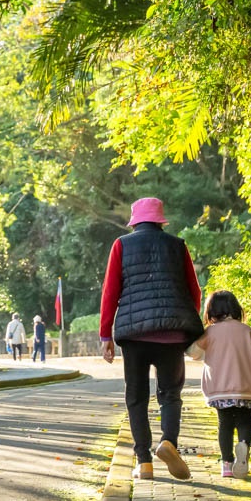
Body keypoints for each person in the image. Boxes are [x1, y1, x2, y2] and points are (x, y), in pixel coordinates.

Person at [99, 197, 204, 481]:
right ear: (160, 220)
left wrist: (105, 334)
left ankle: (143, 462)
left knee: (136, 397)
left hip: (134, 335)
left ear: (135, 221)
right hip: (171, 334)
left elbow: (111, 291)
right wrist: (185, 321)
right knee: (170, 394)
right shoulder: (177, 245)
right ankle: (168, 442)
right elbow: (194, 291)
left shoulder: (122, 244)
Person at [187, 290, 251, 479]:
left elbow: (194, 353)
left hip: (220, 389)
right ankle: (243, 447)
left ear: (211, 311)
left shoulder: (210, 332)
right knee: (245, 421)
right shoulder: (248, 332)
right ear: (236, 309)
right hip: (247, 388)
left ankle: (226, 464)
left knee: (225, 424)